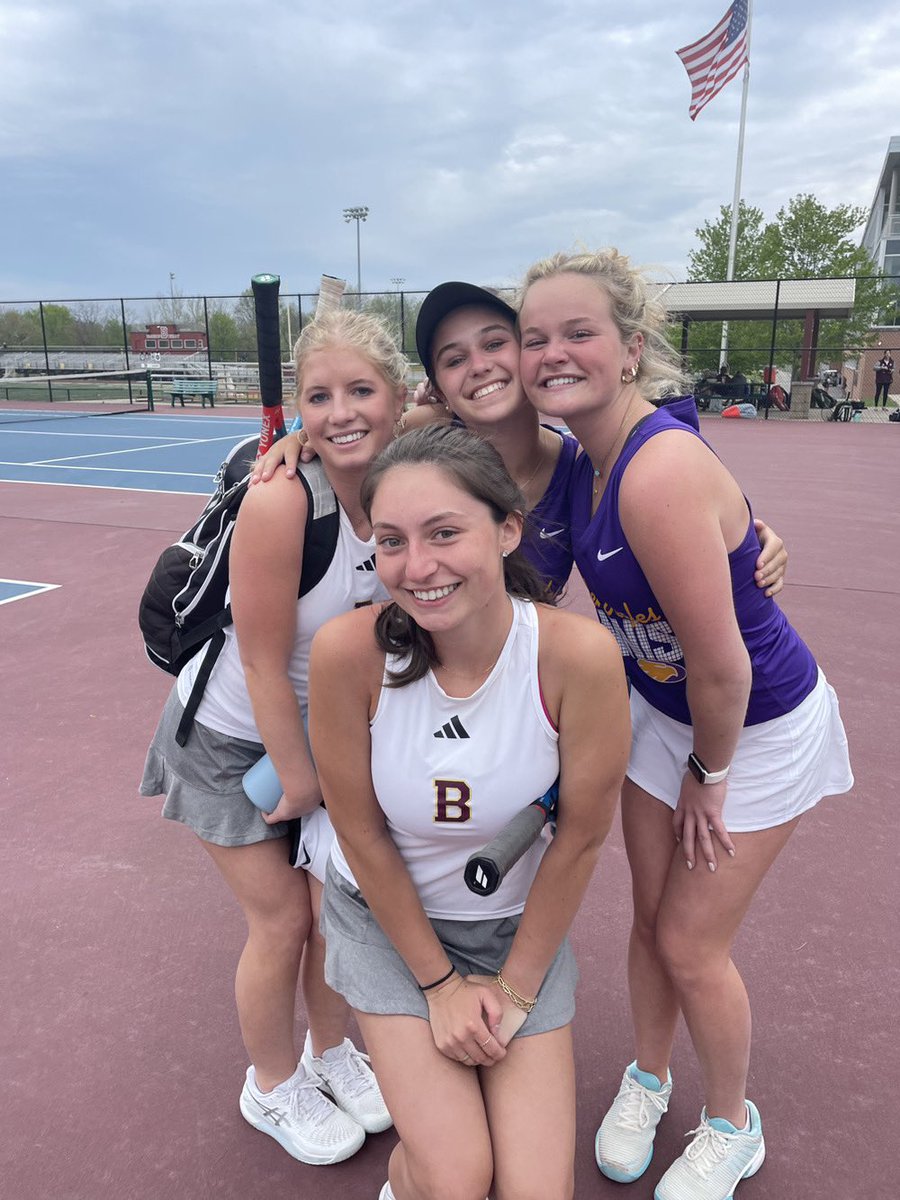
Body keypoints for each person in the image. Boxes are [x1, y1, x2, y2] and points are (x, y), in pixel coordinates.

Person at [516, 249, 854, 1200]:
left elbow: (723, 667)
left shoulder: (653, 471)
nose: (553, 353)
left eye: (578, 333)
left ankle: (731, 1124)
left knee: (691, 944)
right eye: (536, 337)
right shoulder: (587, 454)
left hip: (752, 725)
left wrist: (711, 776)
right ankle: (648, 1078)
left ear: (629, 349)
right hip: (665, 713)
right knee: (649, 923)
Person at [308, 424, 631, 1200]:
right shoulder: (347, 655)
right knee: (455, 1180)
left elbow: (581, 837)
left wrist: (513, 990)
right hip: (389, 929)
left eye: (445, 532)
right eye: (392, 541)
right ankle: (407, 1178)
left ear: (508, 528)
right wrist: (440, 987)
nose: (417, 567)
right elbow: (359, 832)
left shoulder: (574, 657)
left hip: (517, 933)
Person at [140, 310, 404, 1165]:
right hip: (229, 744)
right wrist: (299, 785)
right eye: (318, 396)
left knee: (337, 917)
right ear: (297, 408)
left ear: (397, 400)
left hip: (323, 741)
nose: (341, 412)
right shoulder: (284, 498)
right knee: (285, 919)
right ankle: (272, 1083)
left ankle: (331, 1054)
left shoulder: (406, 476)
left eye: (361, 390)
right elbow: (258, 663)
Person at [253, 283, 789, 600]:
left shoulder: (584, 469)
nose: (480, 366)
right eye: (455, 358)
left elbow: (691, 496)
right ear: (438, 387)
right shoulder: (425, 442)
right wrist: (298, 442)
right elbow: (352, 430)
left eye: (495, 343)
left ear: (528, 352)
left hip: (521, 688)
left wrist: (753, 541)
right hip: (415, 672)